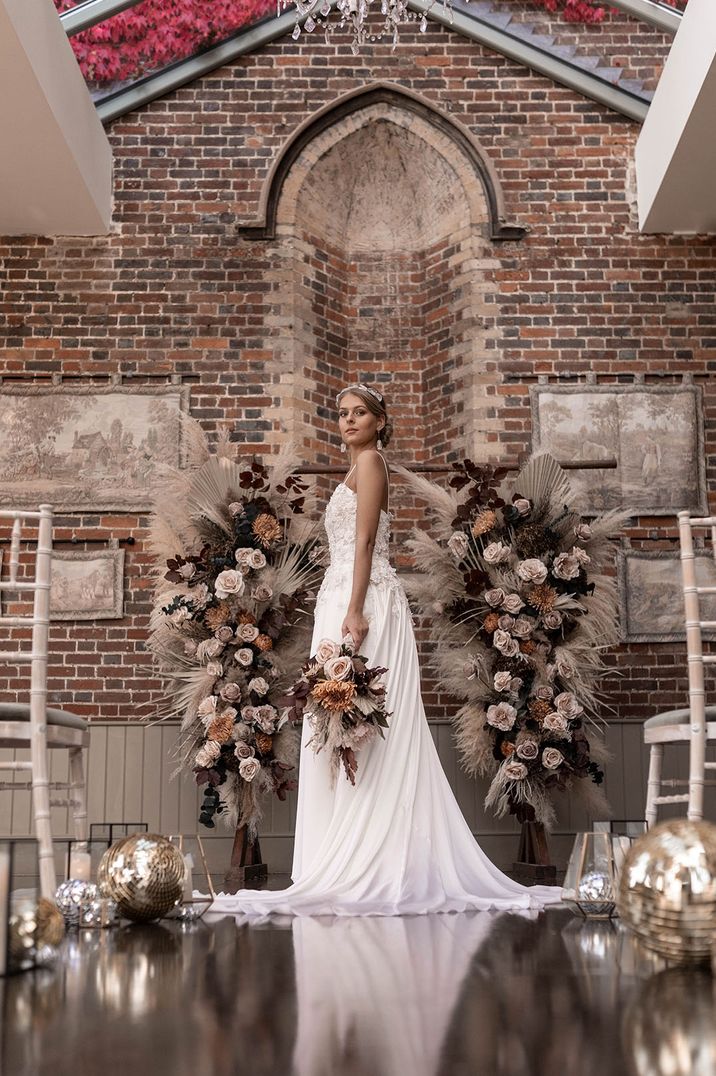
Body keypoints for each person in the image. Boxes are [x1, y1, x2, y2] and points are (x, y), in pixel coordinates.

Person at [209, 384, 563, 916]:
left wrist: (354, 610)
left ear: (379, 421)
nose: (348, 421)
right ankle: (335, 855)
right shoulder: (356, 467)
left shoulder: (373, 463)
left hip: (365, 599)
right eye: (342, 414)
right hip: (341, 596)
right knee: (334, 720)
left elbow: (368, 543)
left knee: (367, 723)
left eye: (359, 414)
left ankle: (380, 858)